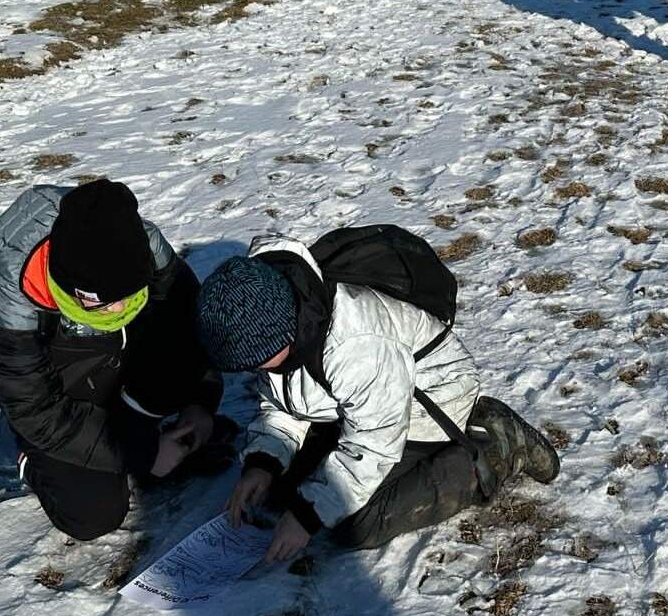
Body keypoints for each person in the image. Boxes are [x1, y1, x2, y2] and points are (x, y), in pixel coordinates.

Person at [196, 234, 560, 563]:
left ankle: (494, 445)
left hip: (429, 401)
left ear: (283, 334)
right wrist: (264, 460)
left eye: (257, 361)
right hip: (353, 402)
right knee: (282, 492)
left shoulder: (357, 346)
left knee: (353, 524)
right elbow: (284, 400)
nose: (253, 370)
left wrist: (310, 517)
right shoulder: (277, 316)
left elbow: (373, 444)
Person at [0, 179, 223, 541]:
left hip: (112, 360)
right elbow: (36, 409)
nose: (118, 308)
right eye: (100, 302)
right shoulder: (15, 302)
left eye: (127, 295)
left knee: (176, 368)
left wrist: (200, 400)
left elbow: (188, 324)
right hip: (55, 394)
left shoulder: (141, 245)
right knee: (93, 515)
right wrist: (143, 451)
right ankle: (19, 452)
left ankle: (131, 418)